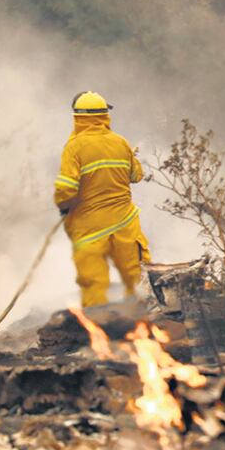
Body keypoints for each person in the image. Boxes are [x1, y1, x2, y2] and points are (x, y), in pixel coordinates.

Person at [54, 91, 151, 307]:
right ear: (104, 115)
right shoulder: (121, 143)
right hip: (124, 223)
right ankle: (143, 320)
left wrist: (64, 208)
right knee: (137, 276)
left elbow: (66, 188)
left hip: (91, 228)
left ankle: (96, 326)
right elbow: (136, 176)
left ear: (78, 117)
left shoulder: (73, 147)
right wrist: (129, 159)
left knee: (94, 281)